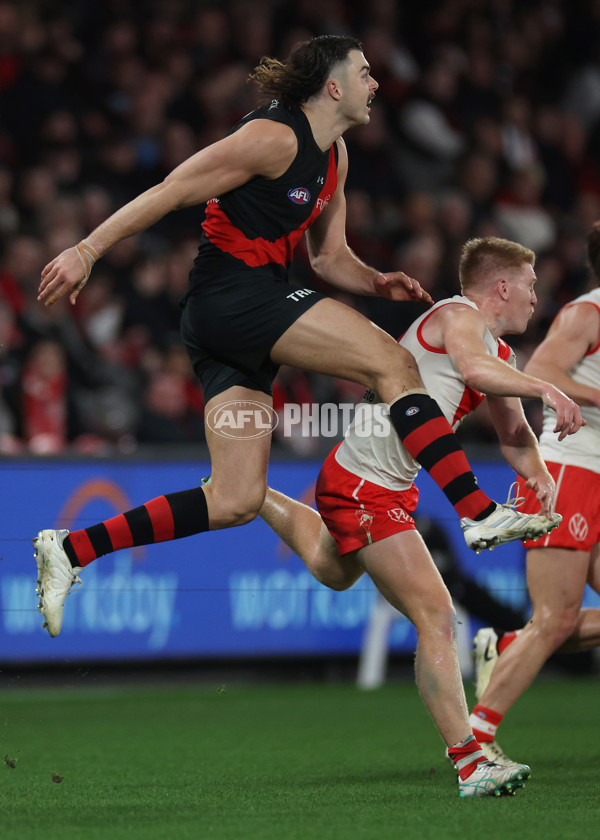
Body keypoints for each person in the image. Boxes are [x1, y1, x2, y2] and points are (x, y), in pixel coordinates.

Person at [33, 37, 580, 641]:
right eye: (365, 73)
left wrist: (375, 280)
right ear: (334, 86)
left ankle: (71, 547)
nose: (377, 84)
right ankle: (477, 512)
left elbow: (327, 257)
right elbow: (170, 190)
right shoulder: (273, 137)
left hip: (239, 318)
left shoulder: (335, 156)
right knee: (393, 363)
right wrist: (87, 250)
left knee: (235, 498)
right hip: (231, 296)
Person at [257, 236, 579, 797]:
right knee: (435, 613)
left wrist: (539, 475)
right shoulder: (458, 315)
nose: (536, 296)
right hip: (366, 483)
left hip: (378, 484)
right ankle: (470, 763)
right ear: (501, 286)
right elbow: (471, 369)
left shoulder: (500, 354)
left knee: (333, 569)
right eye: (530, 285)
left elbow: (512, 433)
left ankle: (249, 494)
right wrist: (546, 388)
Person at [471, 221, 600, 769]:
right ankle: (476, 737)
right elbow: (541, 370)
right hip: (568, 467)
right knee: (555, 618)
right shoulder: (588, 312)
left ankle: (505, 649)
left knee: (555, 622)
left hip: (595, 471)